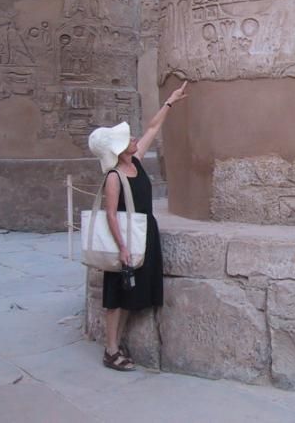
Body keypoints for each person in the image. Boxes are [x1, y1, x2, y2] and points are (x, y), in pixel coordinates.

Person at [88, 81, 188, 371]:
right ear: (118, 150)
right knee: (116, 297)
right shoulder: (114, 177)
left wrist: (170, 101)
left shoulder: (137, 162)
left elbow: (153, 129)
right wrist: (122, 248)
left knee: (129, 294)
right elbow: (110, 214)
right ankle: (110, 349)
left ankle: (117, 344)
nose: (134, 138)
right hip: (126, 239)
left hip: (143, 234)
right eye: (127, 139)